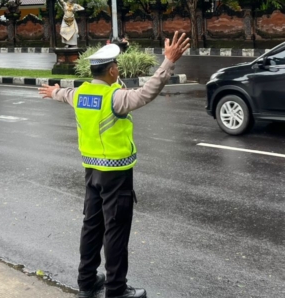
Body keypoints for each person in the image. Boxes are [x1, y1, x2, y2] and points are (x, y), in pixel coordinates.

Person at [39, 31, 191, 298]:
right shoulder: (115, 99)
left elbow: (65, 94)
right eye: (116, 67)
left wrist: (54, 92)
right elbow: (146, 93)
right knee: (116, 232)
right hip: (116, 175)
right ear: (110, 71)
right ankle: (116, 290)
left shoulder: (81, 94)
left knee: (92, 226)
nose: (118, 70)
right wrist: (168, 62)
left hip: (91, 172)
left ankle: (87, 281)